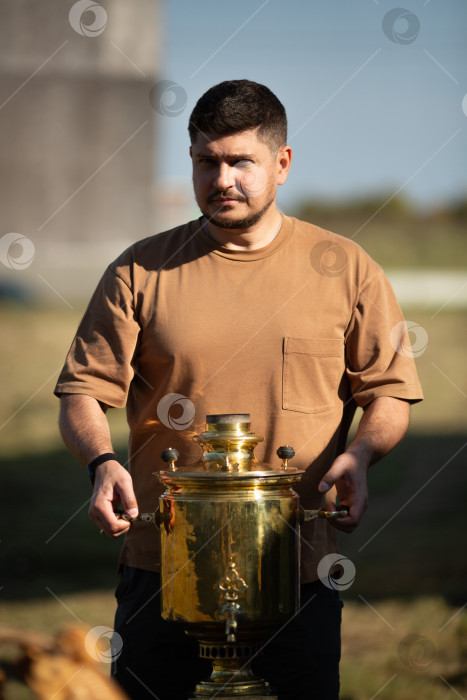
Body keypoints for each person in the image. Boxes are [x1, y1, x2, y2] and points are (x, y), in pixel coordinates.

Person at [55, 79, 423, 700]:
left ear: (281, 163)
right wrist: (101, 461)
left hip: (298, 566)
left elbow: (388, 391)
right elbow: (82, 392)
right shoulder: (140, 270)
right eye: (206, 161)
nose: (221, 179)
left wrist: (360, 455)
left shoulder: (347, 268)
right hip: (162, 568)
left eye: (240, 162)